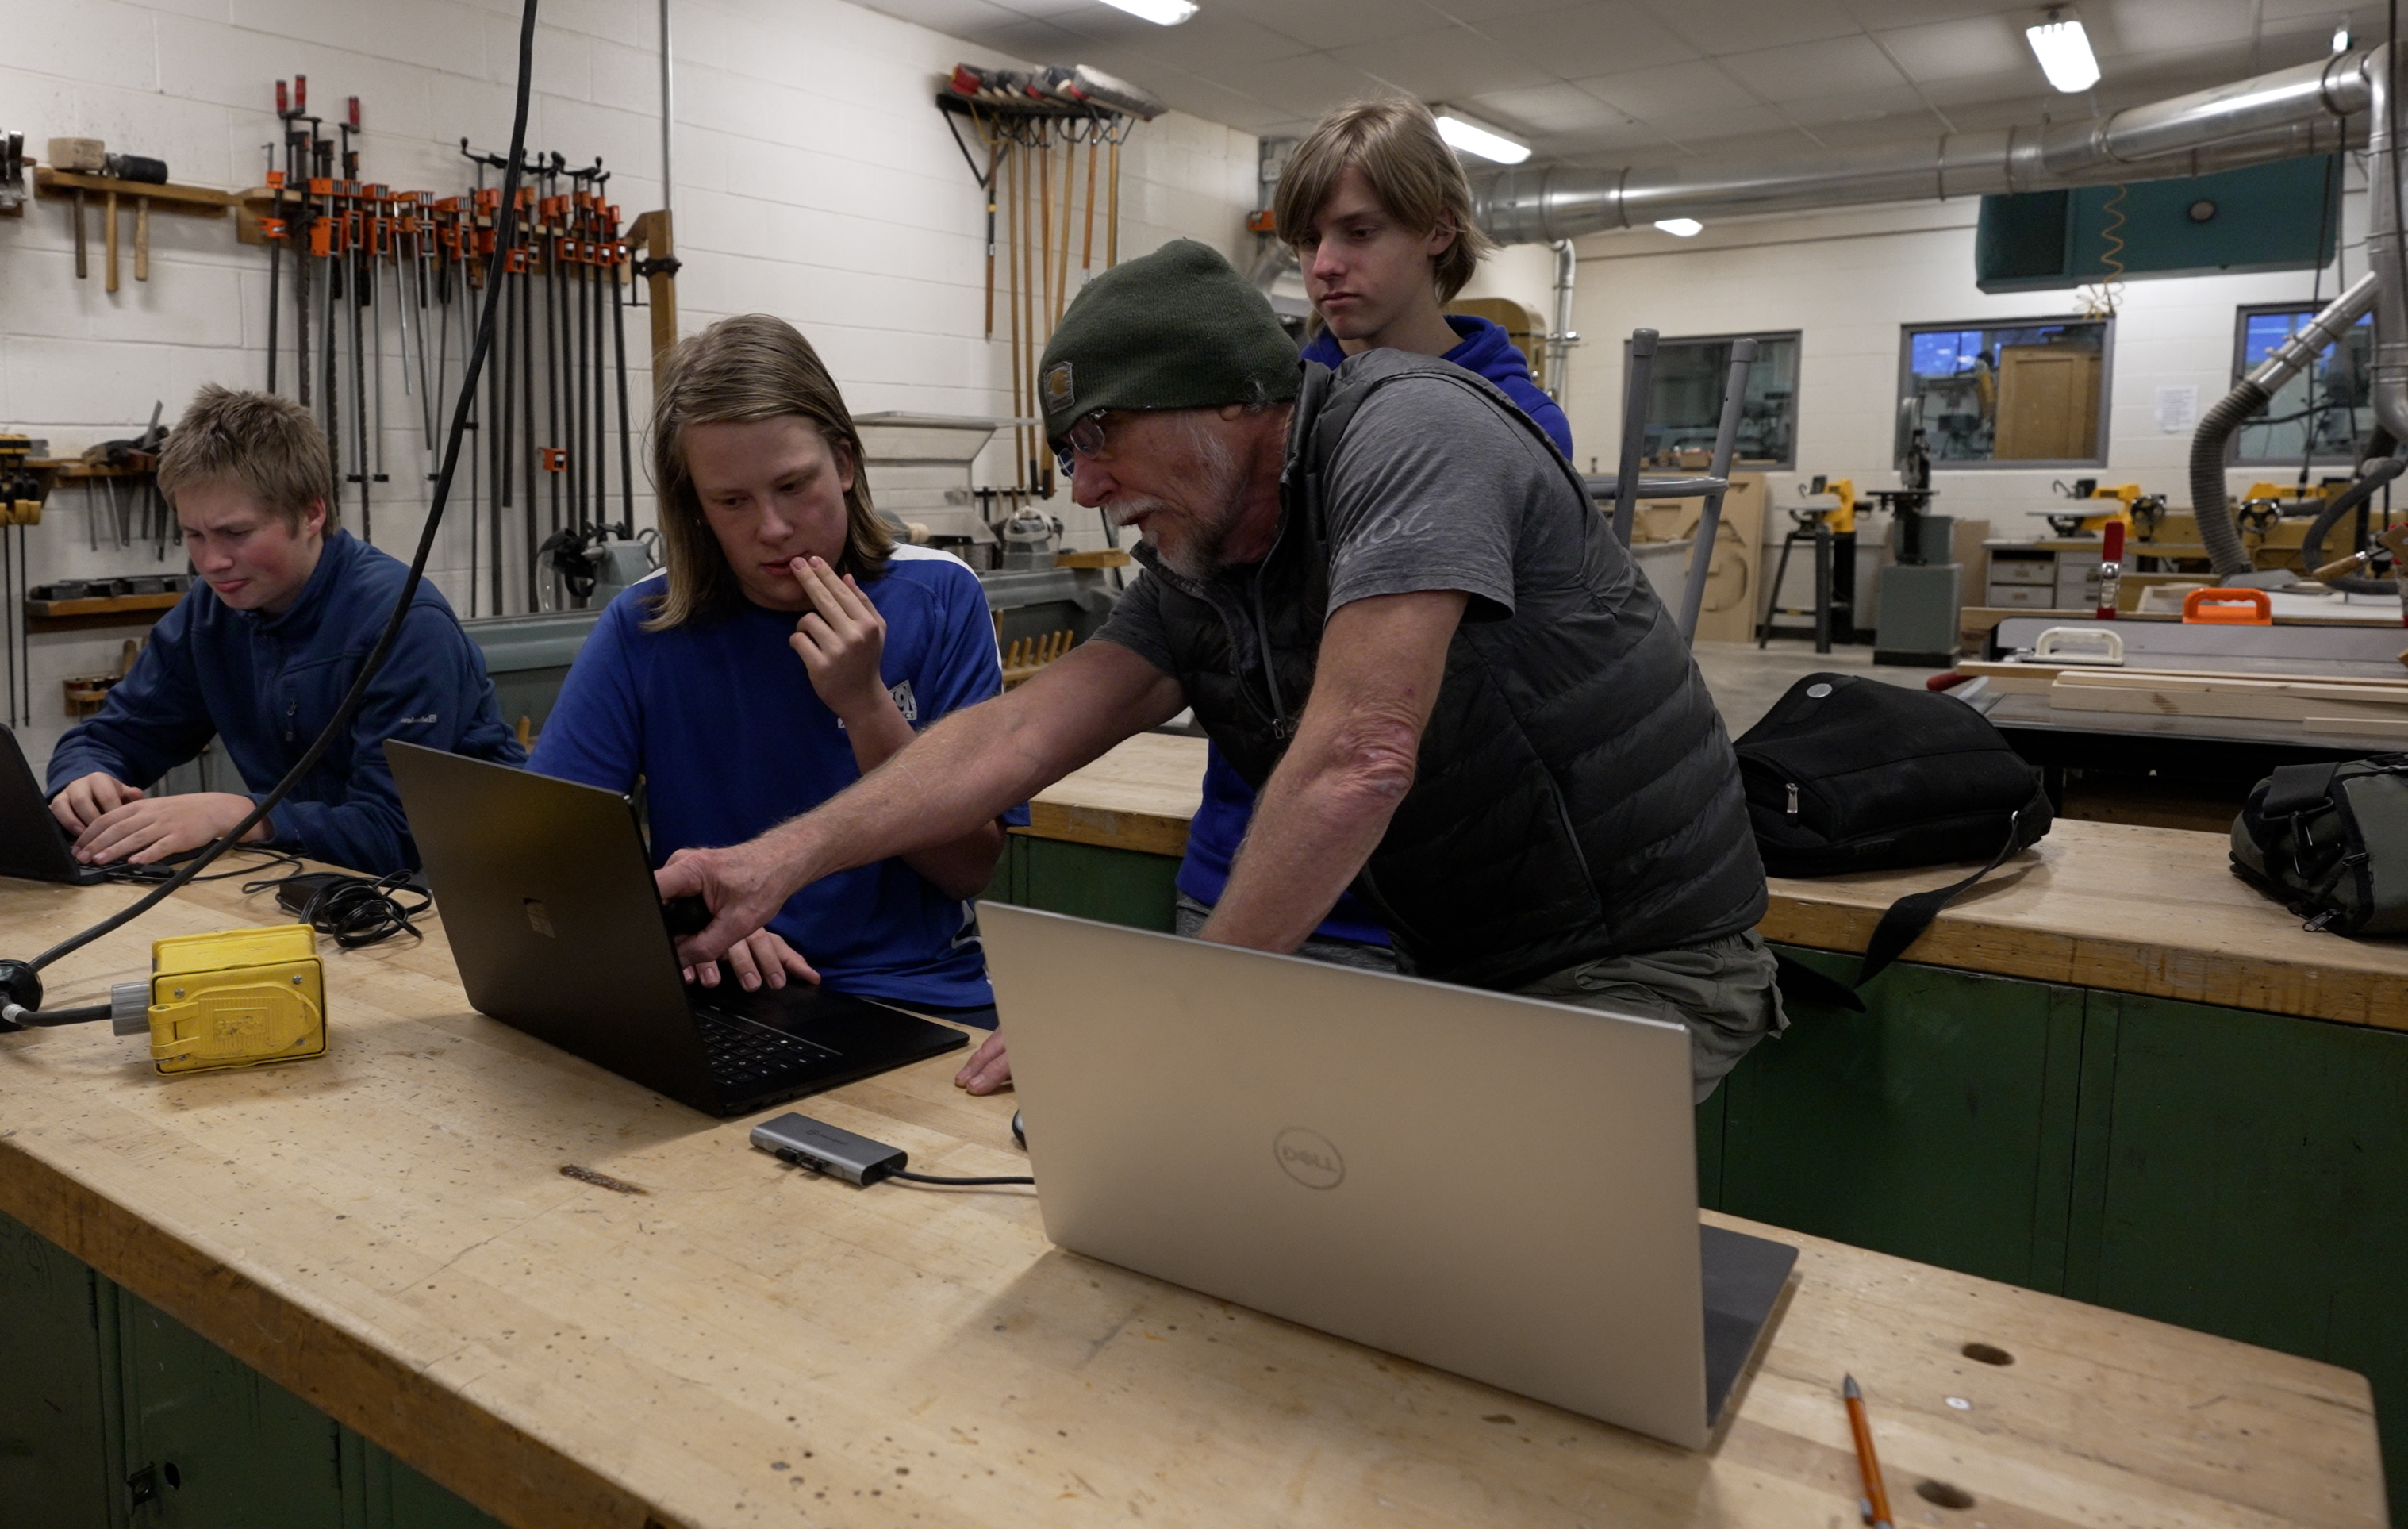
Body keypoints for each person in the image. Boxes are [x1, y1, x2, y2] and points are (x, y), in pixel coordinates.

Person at [655, 231, 1779, 1103]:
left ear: (1235, 398)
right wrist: (775, 861)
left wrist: (1160, 1012)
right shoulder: (1207, 561)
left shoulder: (1412, 435)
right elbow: (1017, 735)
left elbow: (1360, 758)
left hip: (1643, 961)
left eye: (1101, 439)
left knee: (1478, 1252)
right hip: (1468, 964)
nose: (1084, 489)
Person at [528, 314, 1008, 1031]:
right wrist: (692, 925)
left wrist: (865, 706)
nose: (774, 528)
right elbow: (545, 860)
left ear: (844, 464)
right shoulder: (643, 627)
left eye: (793, 485)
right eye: (732, 502)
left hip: (914, 994)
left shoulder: (940, 596)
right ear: (695, 506)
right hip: (719, 993)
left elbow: (969, 869)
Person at [1189, 96, 1577, 951]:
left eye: (1359, 234)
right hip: (1232, 860)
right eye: (1308, 239)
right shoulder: (1269, 415)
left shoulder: (1512, 423)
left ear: (1438, 231)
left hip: (1410, 891)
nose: (1324, 266)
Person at [46, 386, 522, 873]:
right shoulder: (210, 614)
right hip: (320, 881)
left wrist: (240, 815)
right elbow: (110, 739)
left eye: (237, 533)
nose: (212, 562)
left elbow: (397, 835)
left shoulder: (402, 623)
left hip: (470, 889)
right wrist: (84, 779)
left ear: (312, 514)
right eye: (194, 535)